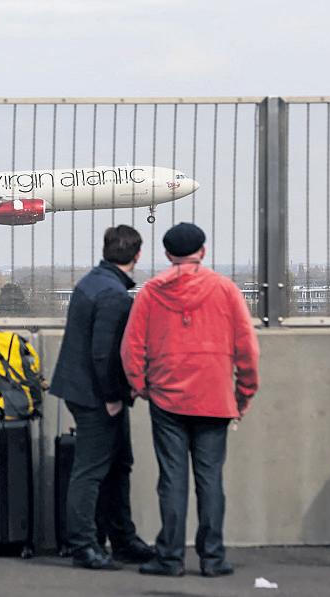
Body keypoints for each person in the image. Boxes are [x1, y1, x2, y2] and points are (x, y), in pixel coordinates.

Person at [121, 222, 259, 578]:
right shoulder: (225, 290)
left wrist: (142, 386)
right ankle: (212, 558)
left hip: (167, 399)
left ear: (167, 254)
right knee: (210, 479)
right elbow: (247, 349)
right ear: (203, 251)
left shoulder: (151, 293)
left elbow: (131, 349)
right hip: (215, 397)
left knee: (172, 479)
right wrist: (243, 395)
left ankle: (169, 558)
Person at [50, 225, 156, 570]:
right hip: (97, 395)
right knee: (92, 470)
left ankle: (122, 538)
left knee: (117, 464)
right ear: (137, 255)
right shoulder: (113, 295)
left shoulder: (92, 282)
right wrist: (113, 396)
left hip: (82, 389)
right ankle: (85, 545)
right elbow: (103, 354)